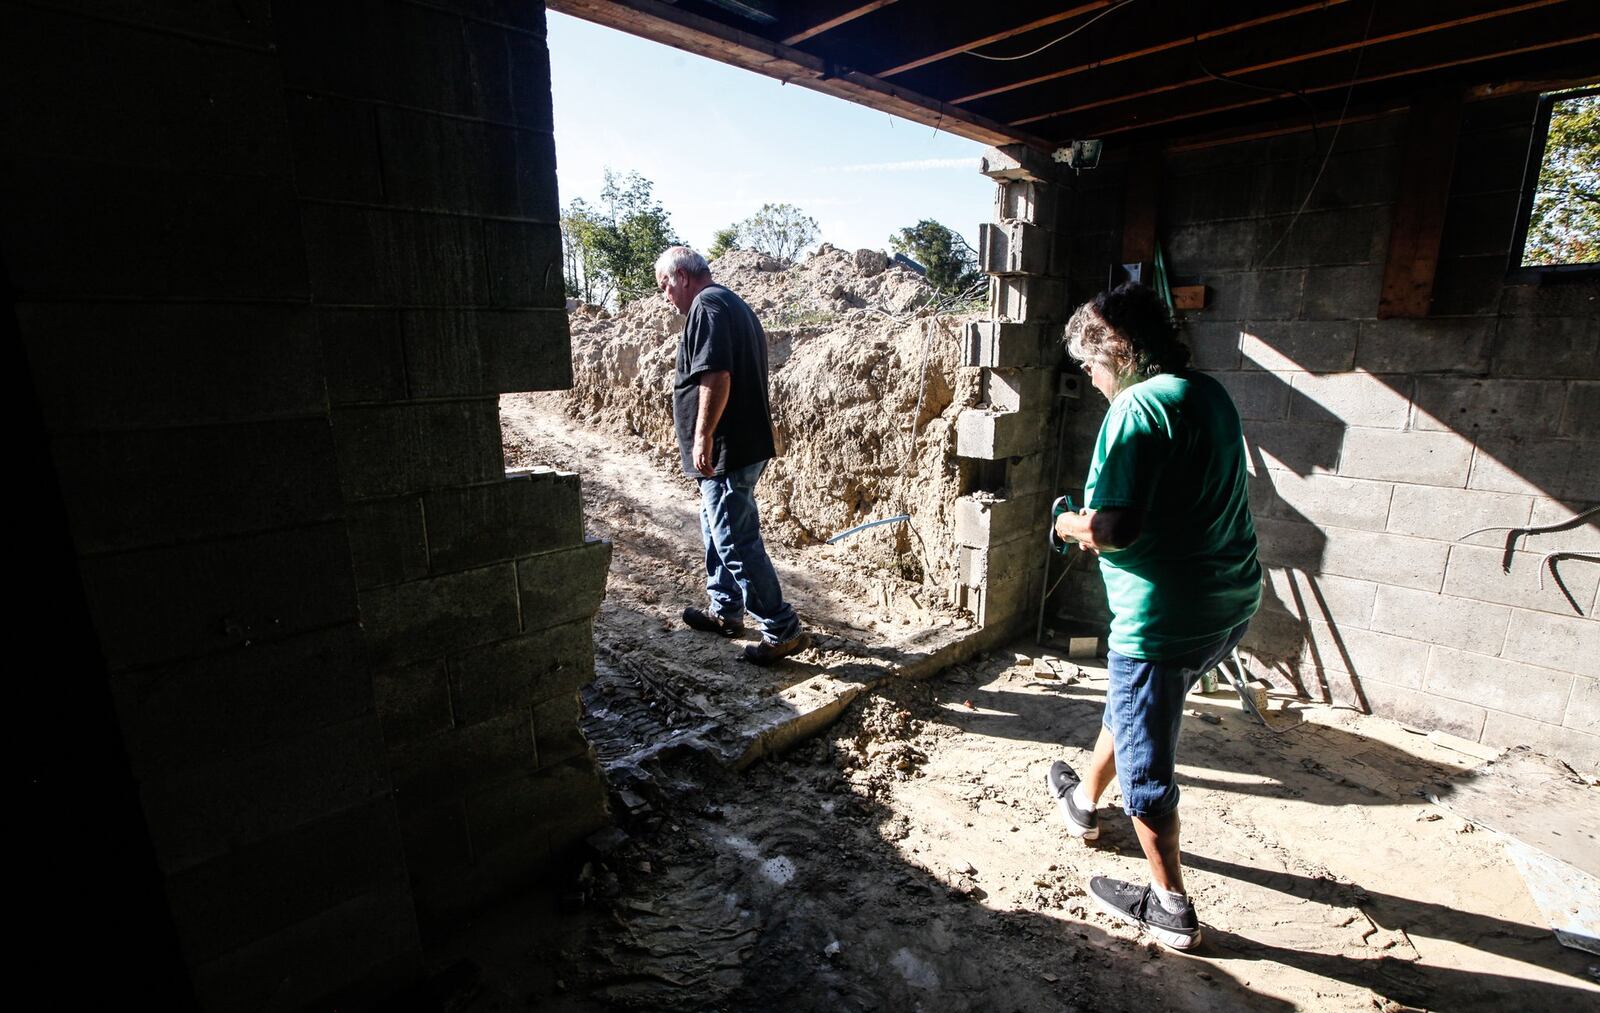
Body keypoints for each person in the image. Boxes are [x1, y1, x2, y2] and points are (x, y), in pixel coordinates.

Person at [1046, 282, 1260, 951]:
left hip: (1163, 619)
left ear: (1116, 349)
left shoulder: (1135, 408)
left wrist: (1065, 524)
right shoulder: (1207, 393)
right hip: (1229, 602)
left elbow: (1115, 527)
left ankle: (1171, 906)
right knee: (1133, 707)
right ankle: (1084, 802)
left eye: (1090, 365)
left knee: (1148, 770)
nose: (1090, 378)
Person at [654, 246, 809, 665]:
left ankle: (780, 627)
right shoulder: (729, 302)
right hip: (736, 445)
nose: (666, 296)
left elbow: (717, 374)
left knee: (733, 539)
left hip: (728, 447)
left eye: (665, 285)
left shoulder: (707, 305)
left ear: (683, 276)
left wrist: (703, 435)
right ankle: (726, 611)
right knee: (714, 527)